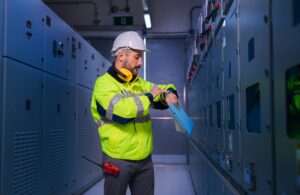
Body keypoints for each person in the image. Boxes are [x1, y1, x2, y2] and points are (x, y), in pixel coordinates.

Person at [90, 31, 178, 195]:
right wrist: (150, 96)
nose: (141, 63)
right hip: (118, 159)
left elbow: (162, 88)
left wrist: (170, 94)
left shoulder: (138, 83)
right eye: (137, 57)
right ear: (121, 56)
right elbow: (122, 112)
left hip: (144, 159)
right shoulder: (103, 84)